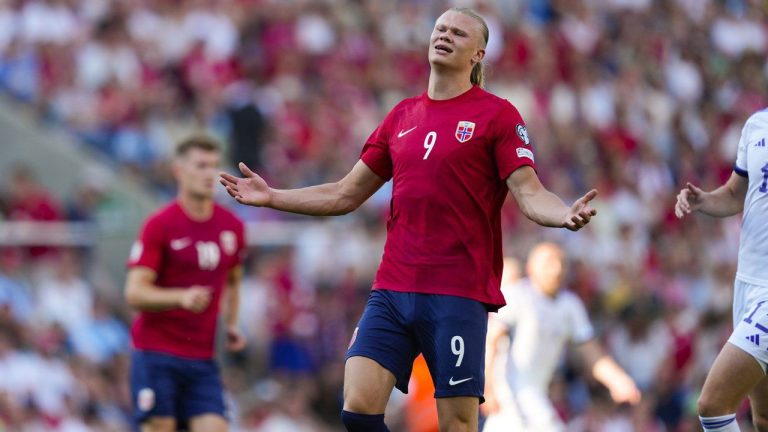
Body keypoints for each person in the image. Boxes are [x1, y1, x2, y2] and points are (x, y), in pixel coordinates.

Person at [220, 7, 597, 432]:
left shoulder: (498, 115)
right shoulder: (401, 116)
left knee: (457, 424)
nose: (445, 36)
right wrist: (272, 196)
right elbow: (345, 193)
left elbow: (529, 191)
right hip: (393, 287)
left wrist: (564, 213)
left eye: (458, 33)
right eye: (440, 29)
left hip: (457, 292)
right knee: (358, 407)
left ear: (478, 54)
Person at [125, 135, 247, 432]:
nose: (209, 174)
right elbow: (134, 292)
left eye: (214, 166)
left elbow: (232, 279)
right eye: (201, 165)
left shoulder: (232, 226)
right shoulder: (160, 224)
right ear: (179, 170)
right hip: (156, 354)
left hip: (202, 359)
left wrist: (231, 323)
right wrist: (180, 298)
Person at [481, 243, 641, 432]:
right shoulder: (516, 296)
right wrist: (487, 388)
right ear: (531, 267)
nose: (556, 268)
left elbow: (591, 352)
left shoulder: (570, 306)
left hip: (536, 396)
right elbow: (491, 341)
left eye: (561, 262)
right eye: (549, 262)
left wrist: (617, 380)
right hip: (511, 397)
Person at [675, 110, 768, 432]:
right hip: (746, 284)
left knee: (713, 404)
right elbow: (734, 194)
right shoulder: (756, 124)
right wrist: (704, 201)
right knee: (763, 419)